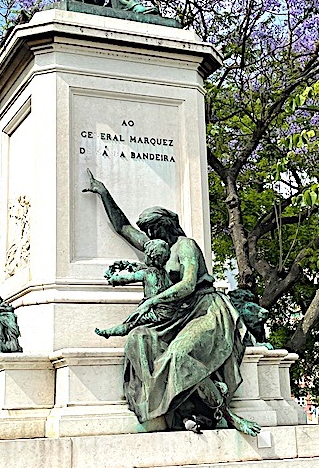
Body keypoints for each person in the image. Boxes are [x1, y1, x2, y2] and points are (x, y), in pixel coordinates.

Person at [85, 170, 257, 435]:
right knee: (140, 340)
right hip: (177, 315)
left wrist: (151, 303)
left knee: (178, 355)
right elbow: (123, 228)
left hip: (206, 310)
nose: (150, 235)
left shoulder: (185, 246)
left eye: (154, 229)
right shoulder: (158, 247)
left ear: (166, 226)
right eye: (148, 232)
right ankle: (179, 410)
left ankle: (224, 414)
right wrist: (104, 193)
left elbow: (188, 284)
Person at [95, 238, 174, 337]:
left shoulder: (147, 273)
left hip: (155, 311)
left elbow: (127, 278)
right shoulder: (165, 273)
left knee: (131, 323)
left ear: (151, 257)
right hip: (168, 310)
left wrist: (113, 279)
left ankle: (108, 332)